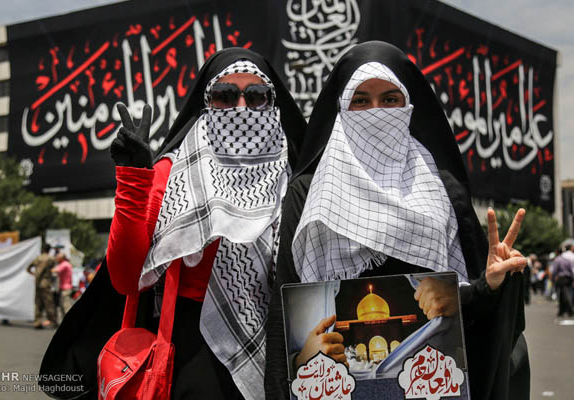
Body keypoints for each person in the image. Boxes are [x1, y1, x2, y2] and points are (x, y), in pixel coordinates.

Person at [265, 41, 529, 400]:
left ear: (409, 106)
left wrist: (487, 286)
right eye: (361, 100)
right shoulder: (310, 193)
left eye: (390, 99)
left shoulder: (441, 187)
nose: (376, 112)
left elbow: (475, 316)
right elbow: (286, 307)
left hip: (429, 380)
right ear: (341, 108)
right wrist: (302, 360)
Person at [104, 47, 305, 400]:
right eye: (225, 96)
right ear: (206, 103)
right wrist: (133, 177)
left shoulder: (297, 180)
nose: (241, 108)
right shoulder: (170, 174)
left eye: (256, 96)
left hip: (279, 351)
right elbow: (125, 278)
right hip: (187, 359)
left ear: (273, 104)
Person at [26, 243, 58, 329]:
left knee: (38, 303)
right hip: (46, 282)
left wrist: (34, 274)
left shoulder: (38, 258)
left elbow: (28, 268)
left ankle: (37, 322)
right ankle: (53, 322)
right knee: (49, 303)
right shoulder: (51, 258)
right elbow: (54, 268)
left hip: (37, 283)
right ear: (49, 250)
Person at [551, 248, 574, 317]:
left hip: (561, 279)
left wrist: (553, 279)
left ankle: (568, 310)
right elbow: (571, 270)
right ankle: (562, 310)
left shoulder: (557, 260)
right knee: (567, 293)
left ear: (557, 252)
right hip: (568, 278)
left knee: (563, 295)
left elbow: (554, 271)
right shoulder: (567, 260)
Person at [52, 251, 74, 318]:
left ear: (61, 258)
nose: (56, 258)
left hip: (66, 288)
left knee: (66, 306)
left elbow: (54, 270)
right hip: (64, 288)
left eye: (57, 257)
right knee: (62, 306)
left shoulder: (64, 264)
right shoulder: (64, 264)